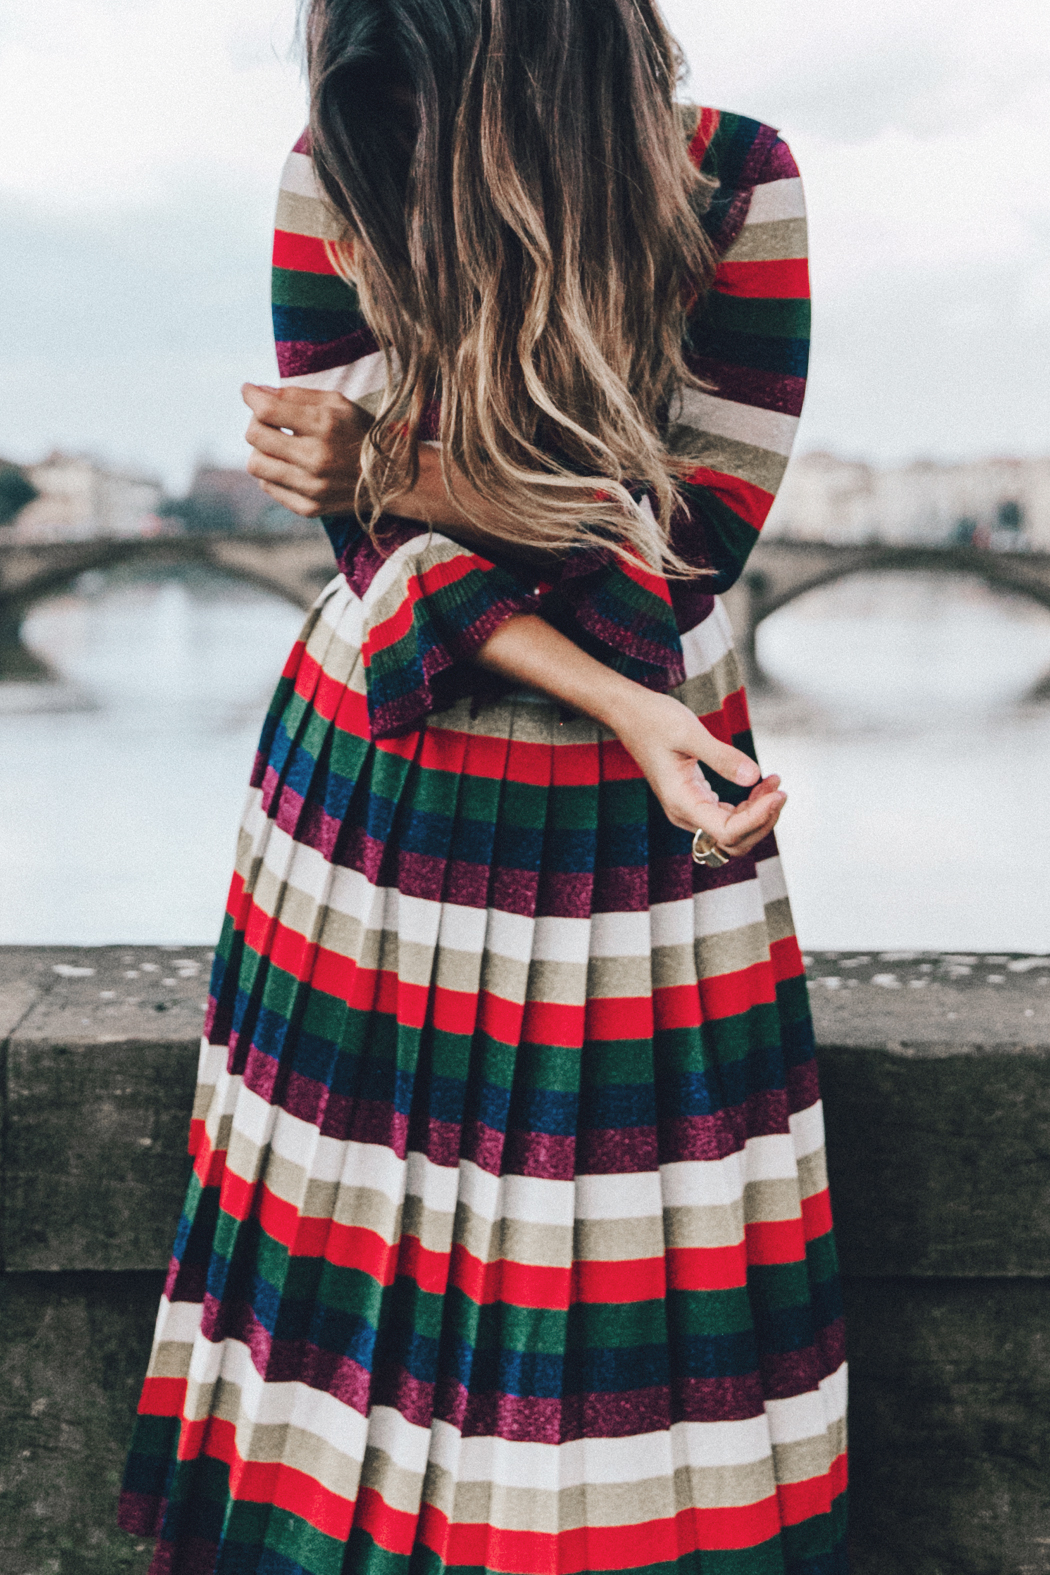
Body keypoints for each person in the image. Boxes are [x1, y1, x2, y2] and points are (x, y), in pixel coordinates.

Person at [119, 1, 846, 1571]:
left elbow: (687, 554)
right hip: (422, 768)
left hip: (611, 779)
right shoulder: (344, 153)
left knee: (597, 1278)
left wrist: (398, 465)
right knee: (390, 1250)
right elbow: (385, 569)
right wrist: (609, 685)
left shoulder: (735, 179)